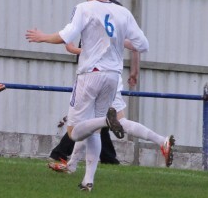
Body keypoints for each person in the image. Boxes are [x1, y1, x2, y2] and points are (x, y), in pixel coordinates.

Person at [26, 0, 149, 192]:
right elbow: (143, 45)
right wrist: (118, 41)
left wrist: (43, 37)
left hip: (90, 75)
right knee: (92, 130)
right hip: (113, 77)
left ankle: (105, 123)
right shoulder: (124, 13)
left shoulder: (84, 8)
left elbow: (67, 36)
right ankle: (88, 181)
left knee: (74, 132)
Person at [49, 43, 175, 174]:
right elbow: (135, 44)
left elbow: (95, 51)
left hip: (100, 79)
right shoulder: (117, 25)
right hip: (111, 78)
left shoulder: (98, 26)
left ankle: (161, 141)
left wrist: (71, 47)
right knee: (91, 124)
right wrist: (134, 71)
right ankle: (72, 165)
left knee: (102, 124)